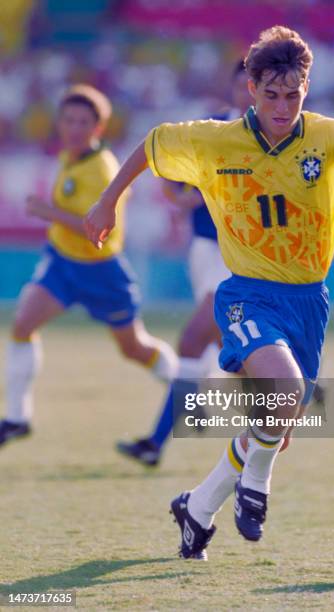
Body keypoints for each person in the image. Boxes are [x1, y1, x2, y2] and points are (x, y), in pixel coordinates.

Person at [84, 25, 334, 560]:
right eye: (272, 95)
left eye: (294, 95)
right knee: (282, 393)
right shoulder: (216, 140)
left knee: (276, 423)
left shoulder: (330, 138)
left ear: (307, 87)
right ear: (251, 89)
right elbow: (151, 145)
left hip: (309, 301)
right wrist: (107, 203)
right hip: (245, 293)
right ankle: (255, 485)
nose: (283, 107)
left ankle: (197, 507)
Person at [0, 84, 209, 448]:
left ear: (98, 128)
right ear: (60, 124)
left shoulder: (103, 168)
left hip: (102, 271)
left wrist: (44, 211)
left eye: (84, 122)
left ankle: (189, 397)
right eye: (69, 120)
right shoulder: (69, 156)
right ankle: (17, 417)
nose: (75, 128)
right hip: (63, 265)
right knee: (21, 324)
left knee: (134, 348)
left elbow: (92, 226)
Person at [116, 60, 252, 467]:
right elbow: (172, 182)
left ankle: (155, 442)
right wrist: (185, 197)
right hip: (203, 250)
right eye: (243, 84)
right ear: (232, 87)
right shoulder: (210, 129)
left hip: (240, 259)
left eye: (255, 85)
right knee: (232, 347)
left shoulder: (273, 140)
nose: (249, 93)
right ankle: (287, 398)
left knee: (194, 339)